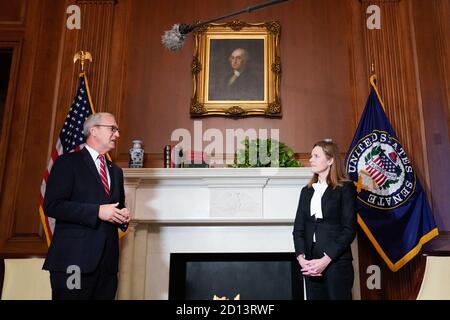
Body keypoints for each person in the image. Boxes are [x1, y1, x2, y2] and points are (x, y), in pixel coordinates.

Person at [43, 112, 130, 300]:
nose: (117, 134)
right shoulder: (67, 162)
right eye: (112, 129)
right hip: (73, 263)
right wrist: (97, 211)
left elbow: (116, 208)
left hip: (107, 267)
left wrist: (122, 217)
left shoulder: (116, 172)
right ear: (94, 130)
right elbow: (52, 205)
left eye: (117, 130)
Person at [292, 139, 357, 300]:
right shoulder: (306, 191)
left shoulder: (346, 189)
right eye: (311, 156)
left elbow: (349, 230)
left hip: (336, 262)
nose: (311, 160)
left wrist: (326, 259)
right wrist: (301, 258)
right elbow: (298, 229)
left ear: (330, 160)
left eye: (316, 156)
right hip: (311, 264)